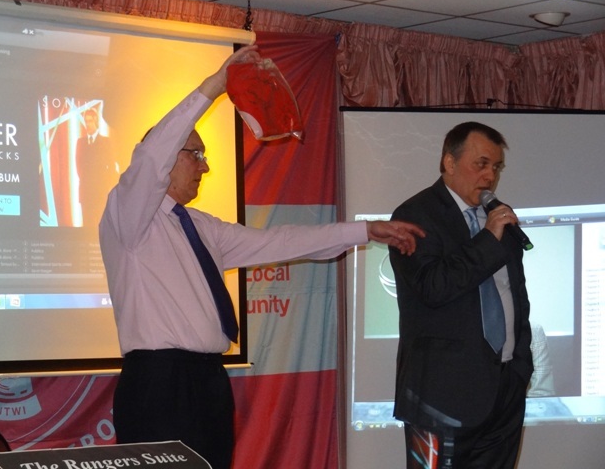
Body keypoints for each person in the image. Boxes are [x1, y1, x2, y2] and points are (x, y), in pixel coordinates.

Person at [99, 45, 425, 469]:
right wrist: (214, 86)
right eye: (195, 155)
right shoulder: (128, 215)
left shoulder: (201, 227)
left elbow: (282, 242)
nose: (204, 167)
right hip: (158, 383)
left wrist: (364, 231)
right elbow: (151, 157)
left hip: (208, 379)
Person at [388, 122, 533, 468]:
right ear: (449, 163)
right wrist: (488, 239)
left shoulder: (497, 216)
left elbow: (515, 294)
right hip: (439, 398)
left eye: (496, 167)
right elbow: (433, 287)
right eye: (481, 164)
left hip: (505, 390)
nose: (490, 176)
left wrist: (521, 367)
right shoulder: (413, 215)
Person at [76, 107, 118, 228]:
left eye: (90, 121)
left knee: (100, 226)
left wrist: (105, 186)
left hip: (101, 193)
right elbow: (78, 167)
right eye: (86, 121)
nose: (87, 124)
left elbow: (111, 166)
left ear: (96, 122)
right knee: (87, 226)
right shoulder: (80, 142)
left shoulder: (105, 142)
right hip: (85, 192)